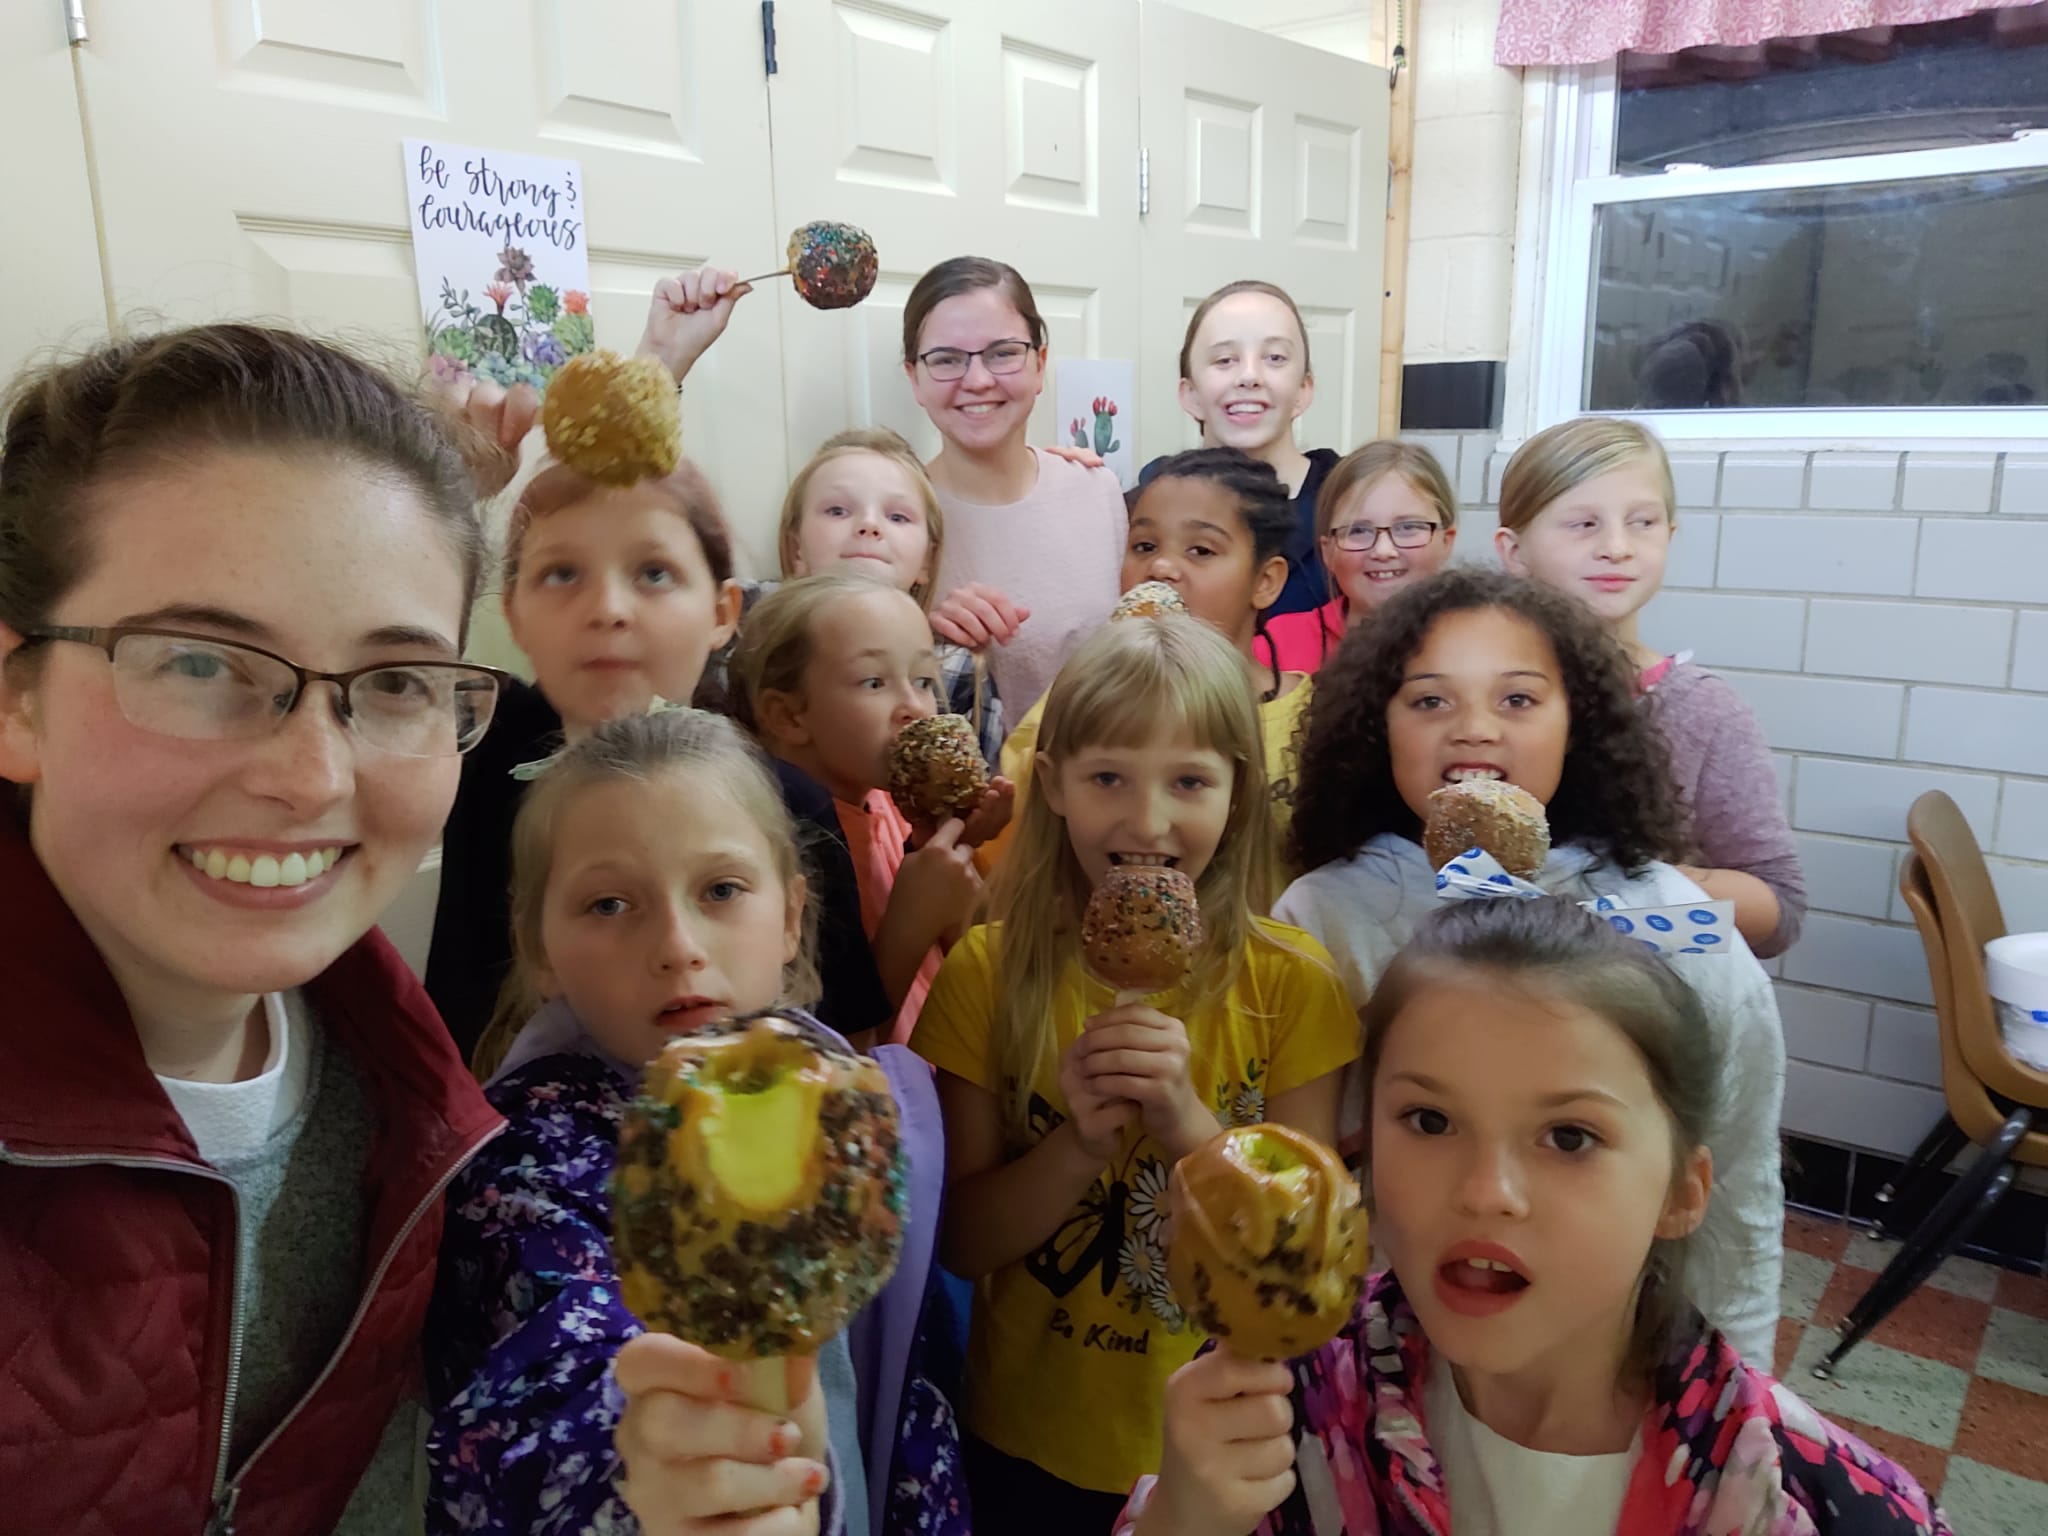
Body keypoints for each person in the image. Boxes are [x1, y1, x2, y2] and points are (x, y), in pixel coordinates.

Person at [0, 323, 504, 1531]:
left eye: (395, 683)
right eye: (198, 663)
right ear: (16, 698)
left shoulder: (403, 1105)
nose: (311, 778)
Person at [1120, 897, 1949, 1536]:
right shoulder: (1282, 1406)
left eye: (1569, 1137)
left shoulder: (1822, 1503)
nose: (1488, 1192)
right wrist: (1182, 1522)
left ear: (1681, 1191)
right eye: (1430, 1121)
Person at [427, 708, 966, 1536]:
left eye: (720, 890)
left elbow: (901, 1391)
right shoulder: (525, 1171)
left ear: (791, 916)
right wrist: (663, 1475)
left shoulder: (849, 1115)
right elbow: (548, 1387)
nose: (678, 945)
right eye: (610, 903)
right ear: (537, 946)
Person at [913, 614, 1358, 1533]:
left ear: (1239, 791)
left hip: (1218, 1447)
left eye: (1188, 781)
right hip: (1026, 1435)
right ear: (1053, 785)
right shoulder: (986, 975)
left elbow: (1307, 1259)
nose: (1148, 821)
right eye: (1108, 777)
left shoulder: (1295, 985)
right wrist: (1078, 1146)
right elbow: (959, 1242)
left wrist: (1190, 1126)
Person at [1275, 567, 1785, 1364]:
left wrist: (1739, 1370)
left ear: (1577, 723)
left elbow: (1741, 1178)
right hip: (1376, 1355)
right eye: (1430, 700)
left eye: (1517, 699)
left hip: (1602, 1359)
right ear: (1379, 729)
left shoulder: (1677, 921)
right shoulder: (1322, 918)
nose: (1475, 728)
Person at [423, 428, 744, 1058]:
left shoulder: (785, 803)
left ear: (720, 612)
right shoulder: (483, 746)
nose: (608, 608)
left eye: (654, 572)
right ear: (512, 613)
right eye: (563, 573)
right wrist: (446, 489)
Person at [1495, 417, 1805, 957]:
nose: (1617, 547)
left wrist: (1628, 902)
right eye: (1583, 524)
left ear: (1670, 535)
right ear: (1514, 551)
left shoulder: (1703, 710)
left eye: (1642, 522)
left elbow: (1779, 915)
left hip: (1640, 996)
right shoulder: (1472, 701)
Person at [730, 573, 1011, 1047]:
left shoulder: (890, 806)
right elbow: (845, 1052)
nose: (915, 707)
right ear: (788, 715)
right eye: (874, 682)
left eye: (923, 680)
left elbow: (988, 977)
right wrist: (912, 922)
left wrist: (954, 848)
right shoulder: (787, 848)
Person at [996, 448, 1311, 853]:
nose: (1161, 568)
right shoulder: (1074, 701)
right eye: (1144, 546)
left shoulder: (1313, 722)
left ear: (1266, 581)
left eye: (1201, 550)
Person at [908, 256, 1129, 713]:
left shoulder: (1098, 491)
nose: (978, 380)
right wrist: (917, 636)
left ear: (1039, 364)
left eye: (1003, 353)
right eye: (946, 359)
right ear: (915, 379)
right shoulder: (891, 517)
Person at [1135, 280, 1339, 619]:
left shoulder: (1349, 509)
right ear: (1190, 394)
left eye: (1275, 357)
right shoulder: (1140, 509)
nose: (1249, 376)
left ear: (1304, 389)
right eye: (1225, 359)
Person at [1258, 440, 1458, 675]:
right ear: (1327, 551)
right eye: (1358, 530)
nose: (1383, 551)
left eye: (1408, 527)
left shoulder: (1479, 643)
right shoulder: (1274, 648)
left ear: (1446, 541)